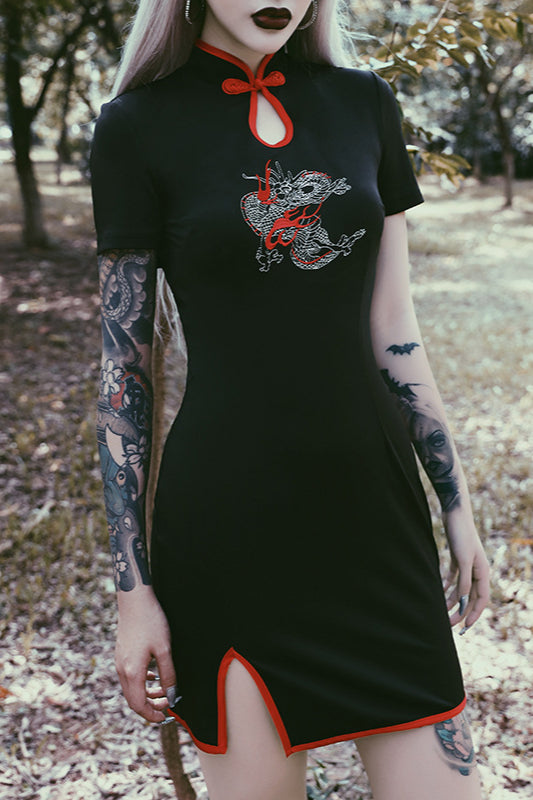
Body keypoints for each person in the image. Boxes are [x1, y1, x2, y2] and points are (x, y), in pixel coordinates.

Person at [89, 1, 491, 798]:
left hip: (375, 519)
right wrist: (133, 592)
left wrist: (456, 505)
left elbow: (394, 328)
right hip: (230, 532)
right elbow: (123, 372)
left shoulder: (364, 103)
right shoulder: (135, 127)